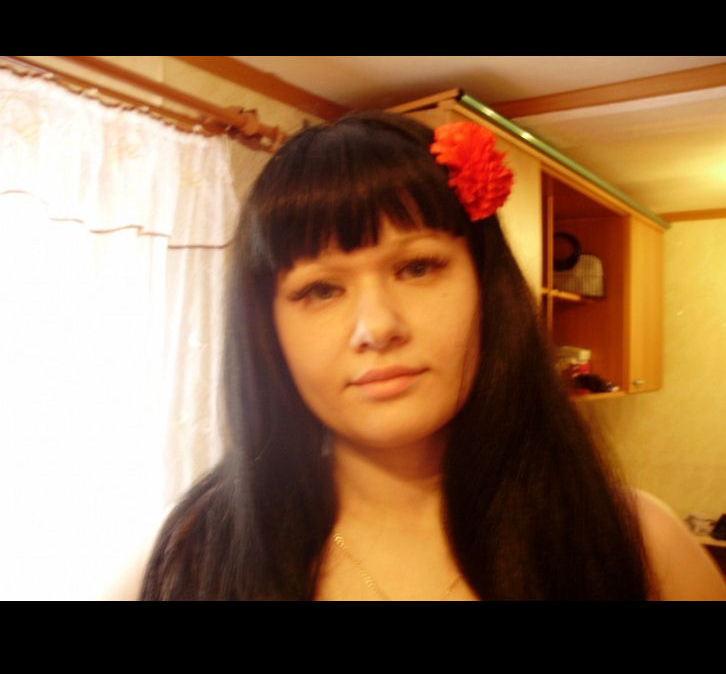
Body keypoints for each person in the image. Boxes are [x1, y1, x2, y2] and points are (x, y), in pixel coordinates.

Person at [140, 111, 726, 601]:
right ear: (267, 330)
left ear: (486, 287)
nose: (376, 328)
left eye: (417, 267)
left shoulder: (638, 544)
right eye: (320, 290)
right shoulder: (194, 558)